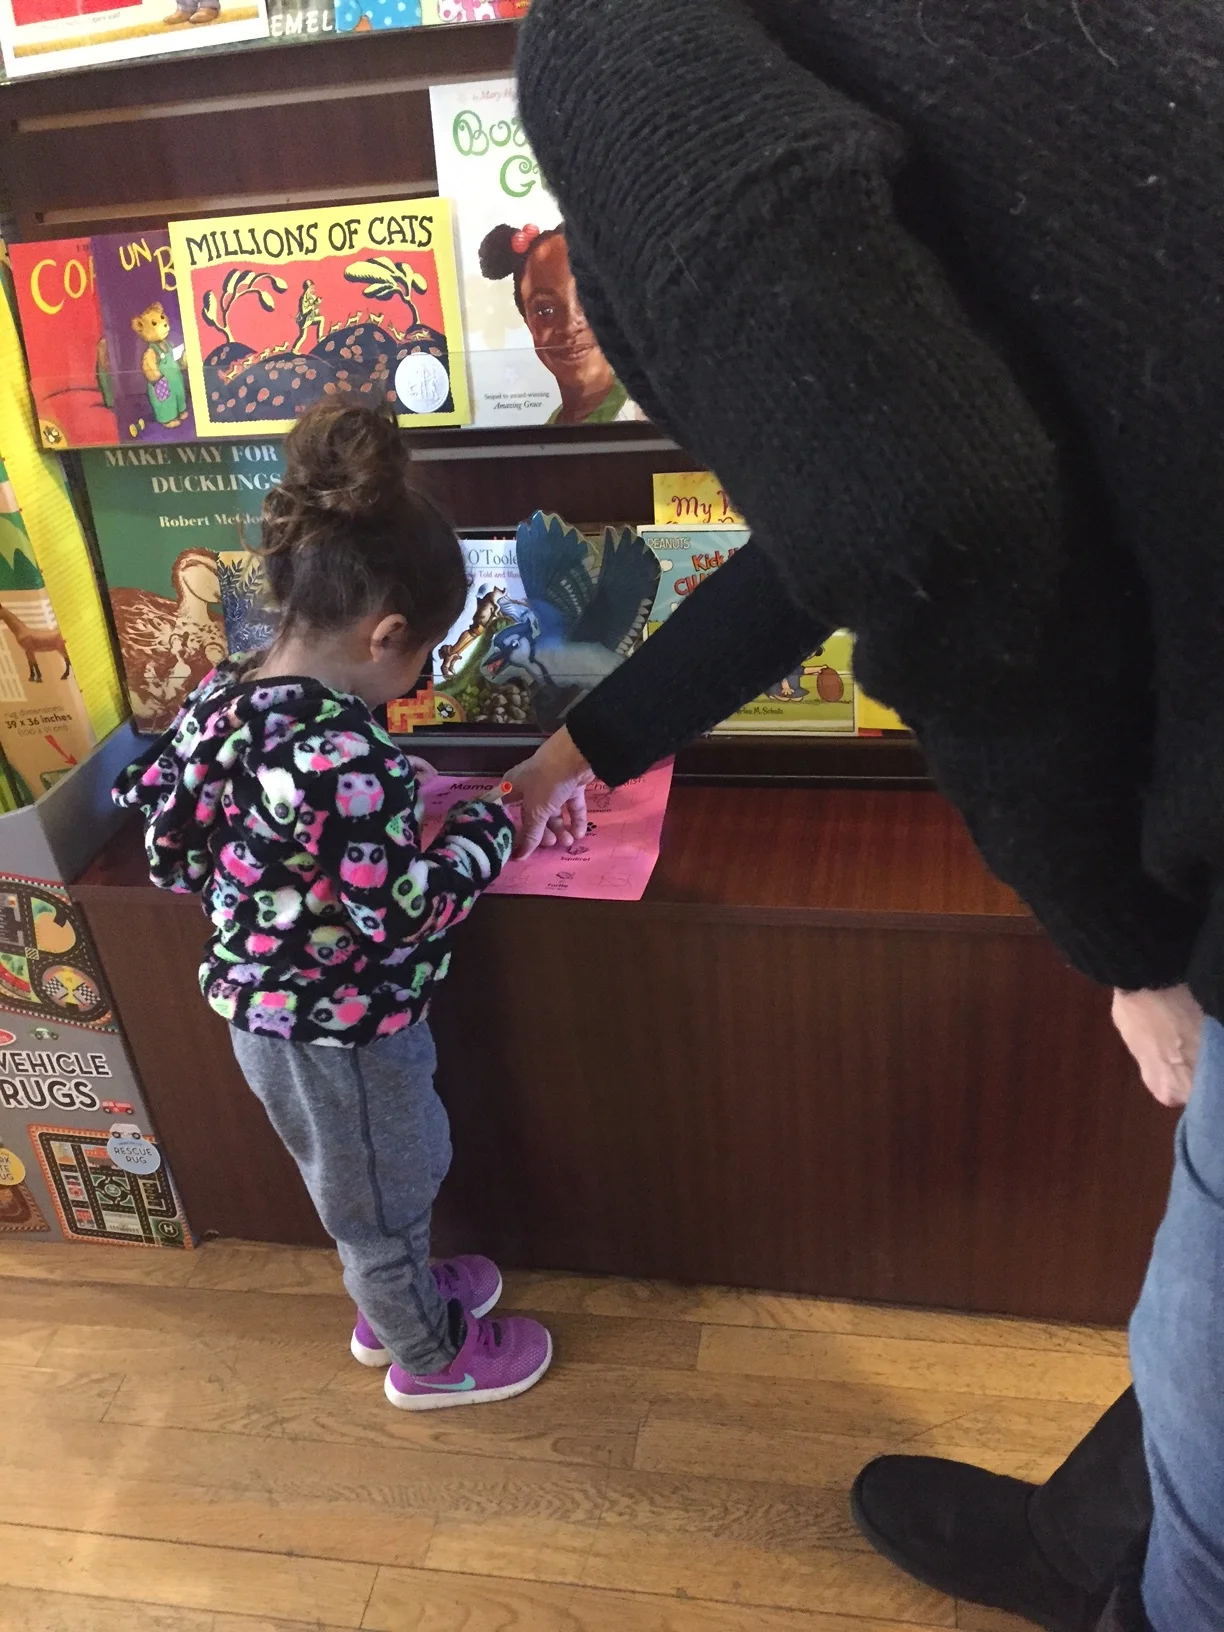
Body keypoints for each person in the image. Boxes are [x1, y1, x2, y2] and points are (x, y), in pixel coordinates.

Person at [509, 3, 1224, 1628]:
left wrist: (1121, 939)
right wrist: (591, 743)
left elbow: (914, 510)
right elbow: (841, 518)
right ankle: (1083, 1538)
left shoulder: (615, 34)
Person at [113, 402, 553, 1413]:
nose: (415, 682)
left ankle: (396, 1288)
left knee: (372, 1182)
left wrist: (270, 880)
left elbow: (174, 855)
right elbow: (402, 914)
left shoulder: (224, 694)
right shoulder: (347, 761)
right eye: (421, 660)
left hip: (265, 1017)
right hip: (341, 1029)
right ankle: (426, 1355)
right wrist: (494, 826)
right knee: (383, 1193)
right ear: (388, 632)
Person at [478, 223, 644, 425]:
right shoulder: (553, 425)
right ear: (527, 320)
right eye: (546, 311)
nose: (570, 326)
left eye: (587, 300)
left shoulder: (637, 415)